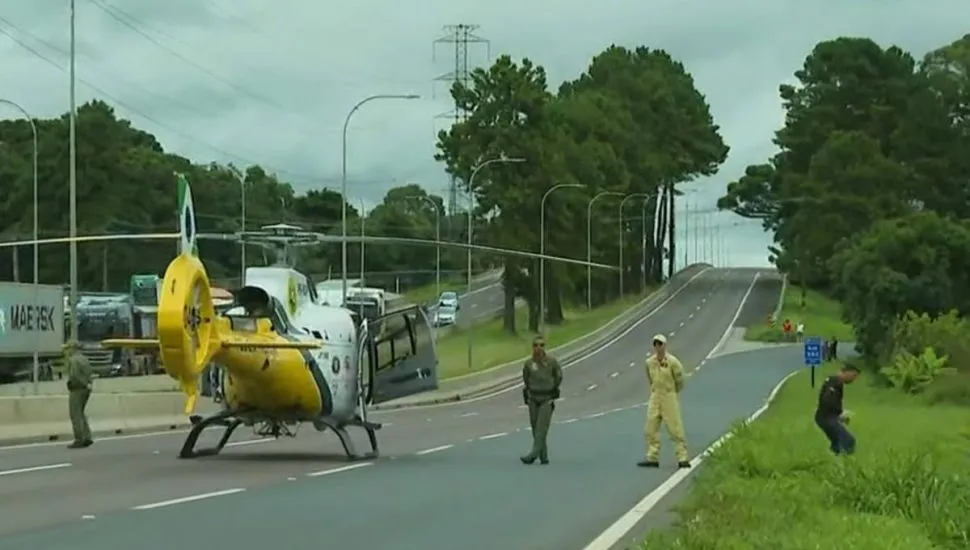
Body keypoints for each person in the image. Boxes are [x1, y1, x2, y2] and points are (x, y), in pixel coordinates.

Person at [638, 334, 691, 469]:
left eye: (660, 344)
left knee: (675, 428)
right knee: (650, 427)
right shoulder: (650, 362)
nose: (658, 347)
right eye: (655, 344)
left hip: (669, 395)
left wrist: (673, 392)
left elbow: (680, 380)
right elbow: (649, 378)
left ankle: (682, 457)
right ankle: (652, 457)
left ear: (665, 346)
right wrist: (655, 390)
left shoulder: (673, 362)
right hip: (656, 395)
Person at [520, 335, 562, 465]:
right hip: (533, 397)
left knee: (541, 428)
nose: (539, 348)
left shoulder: (551, 362)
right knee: (534, 426)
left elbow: (558, 376)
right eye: (536, 345)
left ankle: (533, 454)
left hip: (546, 398)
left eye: (542, 345)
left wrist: (552, 388)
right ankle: (543, 456)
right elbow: (526, 378)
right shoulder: (529, 364)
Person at [815, 363, 859, 455]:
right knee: (848, 441)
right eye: (853, 375)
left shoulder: (835, 382)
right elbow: (827, 400)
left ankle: (832, 460)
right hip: (826, 418)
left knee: (837, 442)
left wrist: (839, 415)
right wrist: (840, 413)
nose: (854, 379)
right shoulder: (834, 382)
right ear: (847, 372)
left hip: (825, 417)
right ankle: (843, 462)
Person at [65, 341, 94, 449]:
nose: (68, 351)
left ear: (73, 348)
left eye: (69, 348)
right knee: (81, 413)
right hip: (86, 389)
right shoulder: (84, 359)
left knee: (75, 414)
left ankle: (79, 439)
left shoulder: (73, 360)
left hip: (77, 389)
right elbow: (90, 373)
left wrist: (72, 384)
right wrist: (88, 384)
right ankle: (87, 436)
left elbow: (74, 375)